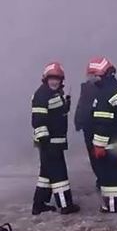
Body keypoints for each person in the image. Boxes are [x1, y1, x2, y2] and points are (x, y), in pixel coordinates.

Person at [85, 56, 117, 213]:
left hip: (111, 145)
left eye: (93, 75)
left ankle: (113, 207)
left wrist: (98, 145)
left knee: (110, 177)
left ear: (100, 75)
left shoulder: (104, 94)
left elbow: (103, 123)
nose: (91, 79)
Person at [31, 62, 80, 215]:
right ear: (46, 79)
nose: (54, 82)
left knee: (46, 175)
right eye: (51, 79)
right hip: (49, 143)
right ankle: (66, 205)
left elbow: (56, 113)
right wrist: (44, 140)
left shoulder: (55, 94)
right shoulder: (41, 95)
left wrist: (66, 105)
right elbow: (38, 120)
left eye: (57, 79)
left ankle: (39, 205)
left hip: (56, 142)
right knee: (59, 175)